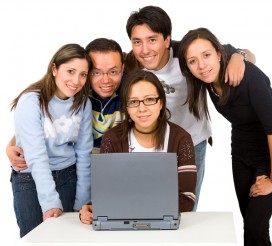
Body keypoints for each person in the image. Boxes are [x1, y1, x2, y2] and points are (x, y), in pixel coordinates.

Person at [123, 5, 256, 211]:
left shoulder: (187, 55)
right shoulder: (130, 63)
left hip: (192, 143)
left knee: (185, 211)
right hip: (149, 146)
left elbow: (245, 53)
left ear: (166, 40)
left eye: (152, 40)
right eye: (137, 42)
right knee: (148, 210)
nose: (145, 50)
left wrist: (239, 58)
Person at [177, 27, 272, 246]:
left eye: (206, 56)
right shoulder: (206, 79)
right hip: (241, 148)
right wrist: (240, 54)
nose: (201, 65)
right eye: (192, 61)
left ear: (219, 54)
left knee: (254, 226)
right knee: (250, 219)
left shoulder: (249, 77)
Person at [79, 70, 197, 224]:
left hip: (164, 225)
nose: (142, 108)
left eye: (149, 99)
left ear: (161, 102)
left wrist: (130, 204)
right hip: (122, 225)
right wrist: (92, 208)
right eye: (133, 101)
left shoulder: (181, 139)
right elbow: (106, 195)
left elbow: (187, 200)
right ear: (126, 106)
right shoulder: (112, 139)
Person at [10, 43, 94, 237]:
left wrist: (82, 200)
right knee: (35, 238)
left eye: (83, 74)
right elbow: (37, 155)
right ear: (54, 69)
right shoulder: (30, 101)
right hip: (30, 178)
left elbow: (84, 152)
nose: (77, 80)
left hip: (68, 176)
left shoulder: (83, 103)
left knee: (69, 238)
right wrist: (50, 203)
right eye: (70, 71)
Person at [6, 38, 126, 167]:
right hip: (80, 169)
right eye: (96, 72)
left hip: (119, 167)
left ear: (122, 68)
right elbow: (43, 121)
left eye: (113, 72)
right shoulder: (74, 92)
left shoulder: (133, 91)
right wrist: (12, 144)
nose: (105, 80)